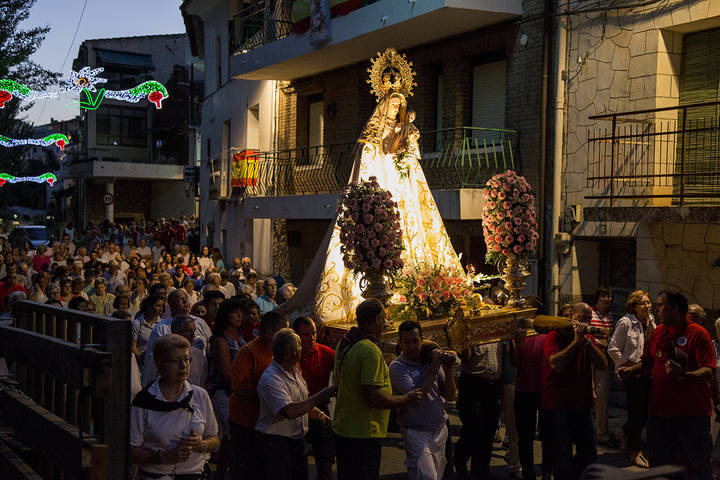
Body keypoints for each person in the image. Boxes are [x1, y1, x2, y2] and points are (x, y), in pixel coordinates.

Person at [285, 51, 462, 326]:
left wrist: (408, 136)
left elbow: (412, 161)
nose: (395, 110)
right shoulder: (370, 140)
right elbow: (374, 158)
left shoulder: (407, 130)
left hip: (404, 192)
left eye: (399, 106)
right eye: (391, 106)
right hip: (382, 190)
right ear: (382, 107)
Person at [618, 291, 715, 480]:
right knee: (662, 466)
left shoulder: (698, 334)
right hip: (660, 413)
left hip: (691, 415)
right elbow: (647, 363)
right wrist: (631, 370)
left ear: (675, 308)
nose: (656, 309)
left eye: (661, 305)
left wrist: (684, 375)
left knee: (695, 466)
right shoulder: (659, 332)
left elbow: (708, 371)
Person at [333, 299, 423, 480]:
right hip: (363, 433)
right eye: (384, 317)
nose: (385, 322)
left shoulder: (347, 341)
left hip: (345, 429)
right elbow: (373, 396)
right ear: (377, 319)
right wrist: (405, 399)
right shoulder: (369, 351)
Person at [129, 334, 220, 479]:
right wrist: (162, 457)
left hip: (194, 474)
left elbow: (215, 440)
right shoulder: (145, 400)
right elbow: (131, 450)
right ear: (159, 364)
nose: (183, 366)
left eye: (186, 359)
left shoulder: (200, 395)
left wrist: (202, 445)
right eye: (174, 361)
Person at [255, 328, 335, 480]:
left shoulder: (293, 370)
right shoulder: (271, 379)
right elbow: (290, 411)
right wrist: (322, 395)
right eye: (299, 346)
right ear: (292, 351)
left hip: (296, 443)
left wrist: (320, 414)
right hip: (276, 446)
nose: (302, 349)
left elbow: (302, 403)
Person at [542, 302, 607, 480]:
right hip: (558, 406)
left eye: (588, 317)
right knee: (562, 456)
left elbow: (603, 364)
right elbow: (556, 364)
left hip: (581, 406)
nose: (585, 320)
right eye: (582, 316)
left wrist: (585, 342)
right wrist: (576, 342)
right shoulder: (555, 336)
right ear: (571, 316)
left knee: (589, 454)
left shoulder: (587, 339)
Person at [389, 321, 457, 480]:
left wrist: (448, 372)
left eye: (415, 341)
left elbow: (450, 396)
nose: (412, 346)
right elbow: (416, 397)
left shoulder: (429, 360)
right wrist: (433, 368)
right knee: (427, 477)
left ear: (422, 340)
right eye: (407, 342)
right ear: (400, 343)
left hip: (439, 429)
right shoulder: (397, 367)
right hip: (415, 431)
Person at [229, 310, 289, 480]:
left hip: (270, 425)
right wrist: (269, 397)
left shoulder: (281, 351)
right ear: (270, 332)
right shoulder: (247, 352)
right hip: (246, 422)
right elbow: (238, 388)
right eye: (283, 331)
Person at [607, 290, 655, 469]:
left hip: (647, 373)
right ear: (633, 306)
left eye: (648, 302)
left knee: (645, 412)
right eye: (642, 303)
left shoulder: (652, 323)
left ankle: (626, 434)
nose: (647, 306)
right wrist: (626, 365)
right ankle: (635, 451)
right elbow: (612, 349)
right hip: (632, 375)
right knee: (637, 412)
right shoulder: (626, 322)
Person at [208, 298, 246, 480]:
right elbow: (226, 373)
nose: (239, 315)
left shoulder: (240, 336)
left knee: (231, 441)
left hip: (239, 393)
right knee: (232, 437)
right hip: (224, 392)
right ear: (226, 315)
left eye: (241, 311)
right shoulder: (221, 340)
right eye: (235, 312)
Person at [294, 316, 335, 480]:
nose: (311, 338)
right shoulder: (291, 356)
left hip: (320, 411)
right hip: (297, 411)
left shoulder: (325, 353)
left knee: (325, 460)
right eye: (306, 334)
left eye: (314, 333)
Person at [514, 327, 550, 480]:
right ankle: (530, 471)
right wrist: (515, 343)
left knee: (547, 435)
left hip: (543, 390)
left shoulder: (548, 336)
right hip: (525, 389)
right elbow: (516, 362)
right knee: (526, 436)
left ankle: (546, 470)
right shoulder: (519, 336)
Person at [590, 287, 614, 446]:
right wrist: (598, 343)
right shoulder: (590, 313)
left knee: (602, 396)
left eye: (608, 296)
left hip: (604, 358)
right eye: (603, 296)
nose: (606, 299)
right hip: (591, 357)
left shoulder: (609, 316)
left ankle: (601, 431)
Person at [171, 315, 207, 388]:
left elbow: (201, 381)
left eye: (194, 330)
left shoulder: (198, 354)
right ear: (175, 332)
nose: (193, 335)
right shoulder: (166, 355)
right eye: (187, 331)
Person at [132, 294, 165, 369]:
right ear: (149, 306)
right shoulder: (137, 323)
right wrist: (141, 356)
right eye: (158, 306)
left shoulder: (162, 324)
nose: (161, 309)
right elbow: (133, 345)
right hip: (141, 363)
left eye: (162, 306)